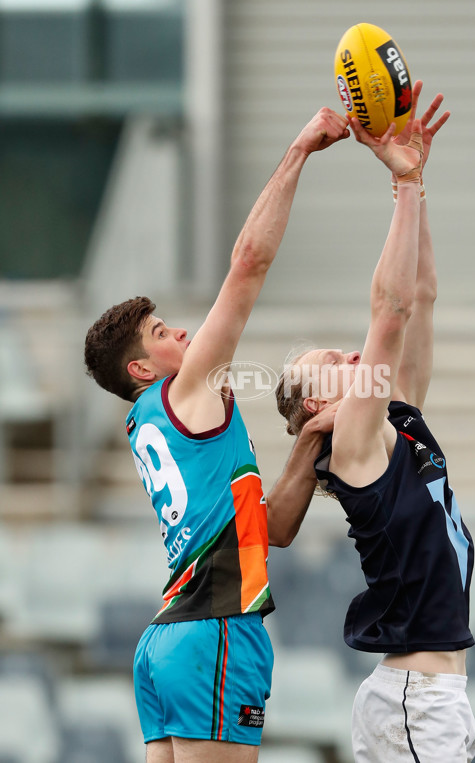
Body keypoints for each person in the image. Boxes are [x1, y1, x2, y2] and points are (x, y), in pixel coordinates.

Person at [84, 107, 349, 763]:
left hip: (170, 638)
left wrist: (311, 439)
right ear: (143, 369)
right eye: (161, 332)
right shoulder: (184, 391)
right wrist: (299, 151)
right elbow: (249, 263)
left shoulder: (159, 422)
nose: (180, 332)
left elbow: (274, 528)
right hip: (215, 629)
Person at [275, 81, 475, 762]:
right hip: (416, 700)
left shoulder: (396, 424)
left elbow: (417, 296)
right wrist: (404, 182)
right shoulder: (355, 441)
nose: (349, 351)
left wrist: (411, 184)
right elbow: (388, 312)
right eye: (330, 360)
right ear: (315, 408)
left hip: (425, 699)